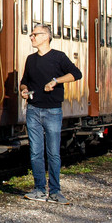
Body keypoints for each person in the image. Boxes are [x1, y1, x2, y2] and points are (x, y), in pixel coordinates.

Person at [20, 22, 81, 204]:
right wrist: (24, 90)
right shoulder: (31, 60)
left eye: (35, 35)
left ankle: (55, 191)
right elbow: (24, 81)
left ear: (46, 37)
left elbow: (76, 74)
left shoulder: (58, 57)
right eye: (31, 35)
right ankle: (39, 189)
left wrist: (56, 81)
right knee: (35, 152)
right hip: (33, 110)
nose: (32, 37)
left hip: (53, 111)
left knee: (53, 152)